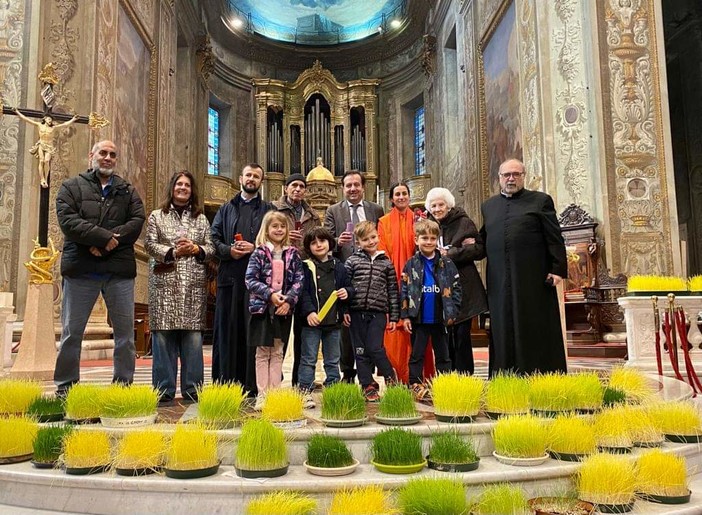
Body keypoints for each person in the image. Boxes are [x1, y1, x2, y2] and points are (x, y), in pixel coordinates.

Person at [54, 140, 145, 395]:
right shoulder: (71, 187)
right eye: (103, 153)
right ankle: (65, 389)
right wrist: (104, 238)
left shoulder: (127, 191)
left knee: (125, 337)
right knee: (72, 333)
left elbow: (137, 221)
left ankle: (122, 389)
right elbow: (69, 221)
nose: (107, 158)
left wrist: (104, 243)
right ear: (91, 155)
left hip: (118, 273)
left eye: (112, 155)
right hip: (82, 270)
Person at [480, 158, 568, 375]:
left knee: (533, 325)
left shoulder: (540, 201)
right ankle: (505, 376)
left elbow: (554, 237)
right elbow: (483, 239)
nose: (511, 178)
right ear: (498, 178)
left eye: (516, 174)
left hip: (532, 278)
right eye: (506, 175)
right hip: (499, 280)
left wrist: (557, 269)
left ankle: (538, 374)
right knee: (502, 327)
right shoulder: (489, 206)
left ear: (523, 176)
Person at [145, 171, 214, 404]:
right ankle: (163, 389)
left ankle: (193, 389)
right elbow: (149, 244)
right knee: (163, 339)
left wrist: (196, 249)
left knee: (193, 341)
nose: (183, 188)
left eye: (187, 185)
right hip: (165, 284)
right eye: (179, 184)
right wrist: (174, 252)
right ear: (172, 188)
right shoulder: (157, 216)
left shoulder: (201, 218)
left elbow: (211, 248)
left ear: (192, 190)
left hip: (193, 285)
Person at [211, 163, 274, 394]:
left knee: (252, 332)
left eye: (256, 176)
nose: (251, 179)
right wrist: (229, 251)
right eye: (248, 175)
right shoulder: (226, 209)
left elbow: (275, 239)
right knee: (228, 331)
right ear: (240, 178)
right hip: (230, 279)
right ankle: (226, 385)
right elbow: (213, 238)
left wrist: (254, 247)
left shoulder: (269, 209)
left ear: (261, 182)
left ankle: (252, 386)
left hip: (257, 282)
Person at [324, 170, 384, 383]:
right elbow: (326, 239)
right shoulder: (333, 210)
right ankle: (348, 372)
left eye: (356, 185)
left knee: (370, 327)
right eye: (348, 185)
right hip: (346, 272)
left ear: (363, 186)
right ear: (343, 188)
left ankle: (369, 373)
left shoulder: (376, 209)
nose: (352, 189)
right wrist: (337, 241)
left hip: (372, 272)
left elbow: (382, 238)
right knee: (347, 326)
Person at [245, 211, 304, 409]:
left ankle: (275, 394)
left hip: (283, 310)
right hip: (262, 309)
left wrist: (288, 300)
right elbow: (250, 279)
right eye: (274, 226)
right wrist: (270, 294)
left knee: (278, 351)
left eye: (282, 226)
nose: (279, 230)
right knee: (263, 352)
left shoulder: (293, 253)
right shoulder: (259, 252)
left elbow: (299, 280)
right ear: (267, 229)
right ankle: (263, 394)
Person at [426, 187, 488, 374]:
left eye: (441, 204)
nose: (437, 209)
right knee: (443, 337)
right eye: (433, 205)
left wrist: (450, 253)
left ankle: (464, 377)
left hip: (463, 287)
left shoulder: (464, 222)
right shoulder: (428, 226)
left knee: (461, 336)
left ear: (449, 205)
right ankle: (447, 378)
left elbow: (478, 250)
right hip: (438, 289)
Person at [377, 181, 434, 384]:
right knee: (394, 333)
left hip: (418, 283)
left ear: (409, 196)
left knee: (420, 330)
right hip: (393, 282)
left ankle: (421, 379)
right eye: (397, 194)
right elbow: (382, 250)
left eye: (404, 193)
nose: (401, 197)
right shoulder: (383, 222)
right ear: (391, 199)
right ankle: (397, 378)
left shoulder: (419, 220)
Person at [401, 219, 462, 400]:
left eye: (432, 238)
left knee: (443, 354)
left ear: (438, 240)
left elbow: (457, 288)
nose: (428, 242)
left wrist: (453, 311)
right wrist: (405, 316)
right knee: (417, 354)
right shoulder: (411, 264)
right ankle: (415, 384)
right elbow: (404, 290)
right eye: (424, 238)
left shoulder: (447, 264)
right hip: (419, 318)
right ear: (416, 240)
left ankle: (444, 384)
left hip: (440, 318)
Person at [272, 172, 321, 386]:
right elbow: (265, 236)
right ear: (286, 188)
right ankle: (275, 379)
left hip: (304, 271)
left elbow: (319, 241)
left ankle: (300, 382)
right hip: (279, 273)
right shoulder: (274, 209)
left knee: (303, 332)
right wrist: (284, 239)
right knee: (279, 332)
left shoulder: (312, 215)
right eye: (294, 185)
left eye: (302, 186)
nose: (298, 189)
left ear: (306, 190)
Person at [297, 228, 354, 408]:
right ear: (308, 247)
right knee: (308, 359)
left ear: (330, 243)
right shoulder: (305, 266)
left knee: (333, 359)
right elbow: (302, 292)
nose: (319, 245)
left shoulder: (339, 267)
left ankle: (333, 390)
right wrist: (309, 312)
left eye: (322, 241)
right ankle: (305, 391)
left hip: (333, 322)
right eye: (313, 243)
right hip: (311, 322)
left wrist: (347, 300)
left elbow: (348, 288)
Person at [344, 221, 399, 402]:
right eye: (365, 239)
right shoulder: (352, 261)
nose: (370, 241)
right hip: (356, 312)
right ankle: (367, 384)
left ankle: (391, 378)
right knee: (360, 350)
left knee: (375, 348)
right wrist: (344, 310)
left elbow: (392, 290)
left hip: (378, 313)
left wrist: (394, 316)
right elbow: (345, 287)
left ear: (378, 237)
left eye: (373, 237)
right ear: (358, 242)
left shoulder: (386, 263)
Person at [14, 109, 80, 188]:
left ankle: (46, 177)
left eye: (51, 120)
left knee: (47, 160)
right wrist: (17, 112)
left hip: (49, 146)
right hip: (41, 144)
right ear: (45, 119)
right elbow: (26, 119)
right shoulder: (39, 125)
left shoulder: (53, 128)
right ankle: (42, 179)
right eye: (49, 119)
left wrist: (73, 119)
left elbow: (64, 124)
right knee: (41, 160)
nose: (50, 121)